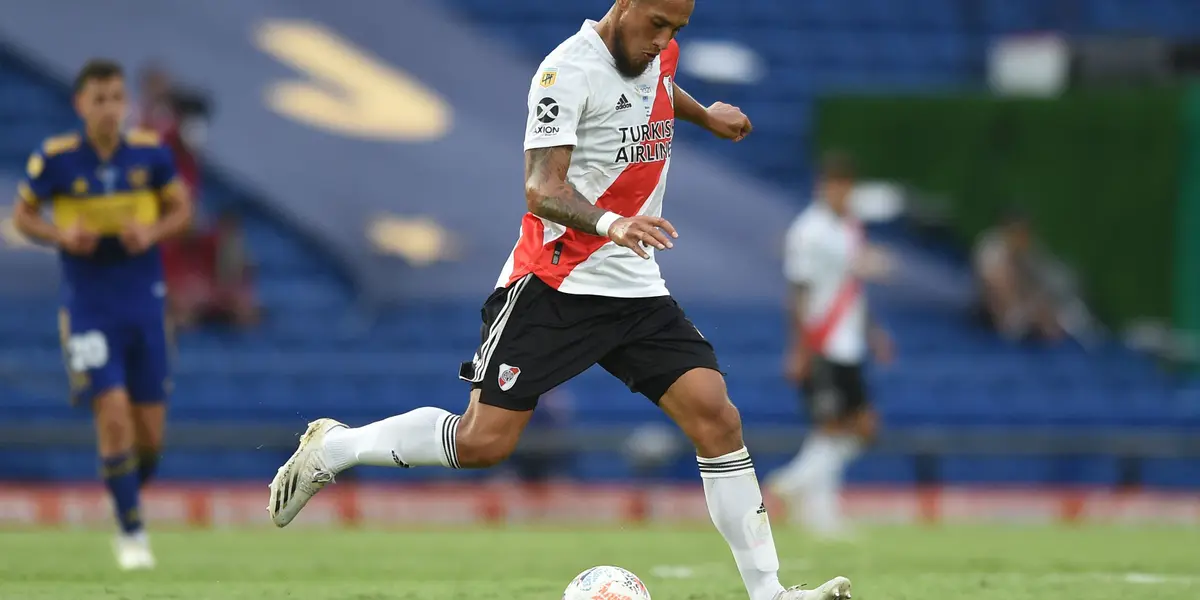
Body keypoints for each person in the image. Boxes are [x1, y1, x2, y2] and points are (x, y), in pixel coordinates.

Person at [267, 2, 851, 599]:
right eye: (657, 24)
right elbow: (541, 187)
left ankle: (771, 593)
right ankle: (336, 446)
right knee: (481, 442)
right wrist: (610, 223)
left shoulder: (655, 51)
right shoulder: (563, 73)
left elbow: (657, 88)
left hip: (633, 286)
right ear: (625, 5)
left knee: (717, 415)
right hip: (555, 283)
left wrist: (705, 116)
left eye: (676, 30)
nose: (663, 40)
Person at [12, 59, 193, 570]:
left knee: (150, 437)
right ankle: (132, 531)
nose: (109, 107)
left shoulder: (150, 153)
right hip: (89, 306)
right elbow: (23, 214)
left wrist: (151, 233)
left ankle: (124, 501)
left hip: (144, 304)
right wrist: (60, 236)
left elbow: (182, 208)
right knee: (111, 413)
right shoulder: (57, 159)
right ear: (80, 105)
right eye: (99, 98)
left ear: (127, 103)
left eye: (117, 97)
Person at [767, 152, 892, 539]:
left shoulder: (848, 229)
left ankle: (796, 483)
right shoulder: (809, 231)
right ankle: (818, 510)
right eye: (836, 185)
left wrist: (873, 333)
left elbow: (851, 286)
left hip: (850, 340)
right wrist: (799, 348)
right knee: (831, 427)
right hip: (822, 339)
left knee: (859, 427)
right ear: (823, 186)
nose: (842, 193)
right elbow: (798, 291)